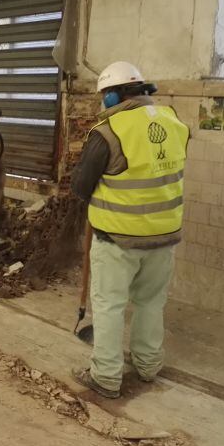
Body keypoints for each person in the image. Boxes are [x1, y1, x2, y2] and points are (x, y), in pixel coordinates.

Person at [71, 61, 190, 399]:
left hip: (118, 238)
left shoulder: (109, 131)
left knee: (109, 305)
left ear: (113, 95)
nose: (101, 103)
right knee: (151, 302)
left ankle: (106, 377)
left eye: (103, 95)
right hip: (165, 235)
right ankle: (148, 365)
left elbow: (80, 186)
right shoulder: (175, 122)